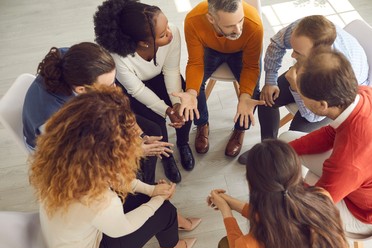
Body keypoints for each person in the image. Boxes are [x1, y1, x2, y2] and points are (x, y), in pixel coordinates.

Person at [29, 86, 197, 248]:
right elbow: (122, 228)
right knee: (163, 209)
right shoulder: (99, 198)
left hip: (68, 237)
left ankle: (172, 221)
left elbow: (114, 178)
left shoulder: (65, 158)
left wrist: (151, 191)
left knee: (152, 197)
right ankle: (171, 247)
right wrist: (158, 200)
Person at [22, 42, 171, 185]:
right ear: (82, 90)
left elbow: (117, 104)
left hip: (88, 114)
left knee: (151, 131)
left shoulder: (71, 60)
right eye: (109, 85)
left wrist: (140, 136)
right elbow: (87, 159)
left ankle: (144, 182)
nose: (115, 89)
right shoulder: (57, 118)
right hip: (65, 152)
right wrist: (134, 151)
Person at [279, 47, 372, 235]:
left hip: (369, 214)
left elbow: (318, 202)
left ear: (322, 105)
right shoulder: (366, 94)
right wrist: (284, 151)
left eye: (301, 95)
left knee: (287, 212)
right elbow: (331, 133)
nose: (299, 98)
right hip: (370, 179)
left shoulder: (349, 161)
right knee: (285, 141)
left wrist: (286, 186)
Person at [238, 15, 369, 165]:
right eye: (293, 49)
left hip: (334, 95)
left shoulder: (336, 72)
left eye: (298, 53)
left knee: (296, 131)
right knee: (266, 99)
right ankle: (268, 148)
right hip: (307, 72)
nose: (292, 55)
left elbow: (313, 116)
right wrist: (270, 81)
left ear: (319, 53)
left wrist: (295, 86)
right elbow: (277, 44)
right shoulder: (301, 29)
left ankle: (280, 161)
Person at [94, 0, 194, 184]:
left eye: (167, 27)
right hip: (136, 88)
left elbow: (171, 70)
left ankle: (183, 142)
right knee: (156, 124)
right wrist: (166, 110)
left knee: (185, 111)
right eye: (163, 34)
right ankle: (167, 156)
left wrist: (176, 104)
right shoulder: (118, 57)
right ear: (143, 43)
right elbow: (136, 89)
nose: (170, 33)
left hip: (164, 77)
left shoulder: (173, 32)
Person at [207, 139, 350, 248]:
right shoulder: (322, 197)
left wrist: (226, 213)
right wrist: (229, 203)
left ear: (251, 186)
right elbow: (276, 213)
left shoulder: (249, 247)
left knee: (224, 245)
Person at [181, 0, 264, 158]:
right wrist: (191, 92)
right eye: (230, 25)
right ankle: (202, 124)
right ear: (211, 19)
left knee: (252, 93)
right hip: (211, 49)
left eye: (240, 21)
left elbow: (251, 67)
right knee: (193, 87)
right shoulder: (193, 20)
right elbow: (195, 63)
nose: (238, 29)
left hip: (242, 52)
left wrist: (245, 95)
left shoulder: (254, 24)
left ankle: (240, 129)